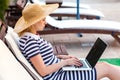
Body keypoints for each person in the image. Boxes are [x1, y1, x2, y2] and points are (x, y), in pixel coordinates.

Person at [14, 3, 120, 80]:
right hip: (60, 76)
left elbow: (43, 57)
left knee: (101, 64)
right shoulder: (29, 41)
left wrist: (61, 57)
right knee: (106, 68)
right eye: (42, 19)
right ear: (33, 22)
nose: (45, 22)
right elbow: (43, 71)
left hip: (60, 71)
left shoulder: (31, 37)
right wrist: (65, 62)